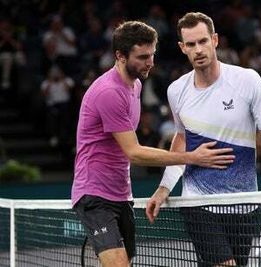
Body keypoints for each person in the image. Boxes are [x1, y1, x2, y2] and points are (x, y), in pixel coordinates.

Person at [71, 21, 235, 267]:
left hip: (121, 195)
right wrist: (192, 157)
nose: (150, 62)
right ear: (120, 56)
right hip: (94, 195)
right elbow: (134, 153)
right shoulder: (108, 92)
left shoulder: (136, 84)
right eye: (142, 57)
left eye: (152, 55)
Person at [145, 12, 261, 266]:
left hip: (244, 204)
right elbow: (182, 139)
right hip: (198, 202)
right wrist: (164, 187)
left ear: (215, 40)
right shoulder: (177, 91)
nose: (198, 49)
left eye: (203, 41)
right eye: (191, 44)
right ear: (182, 48)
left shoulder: (247, 80)